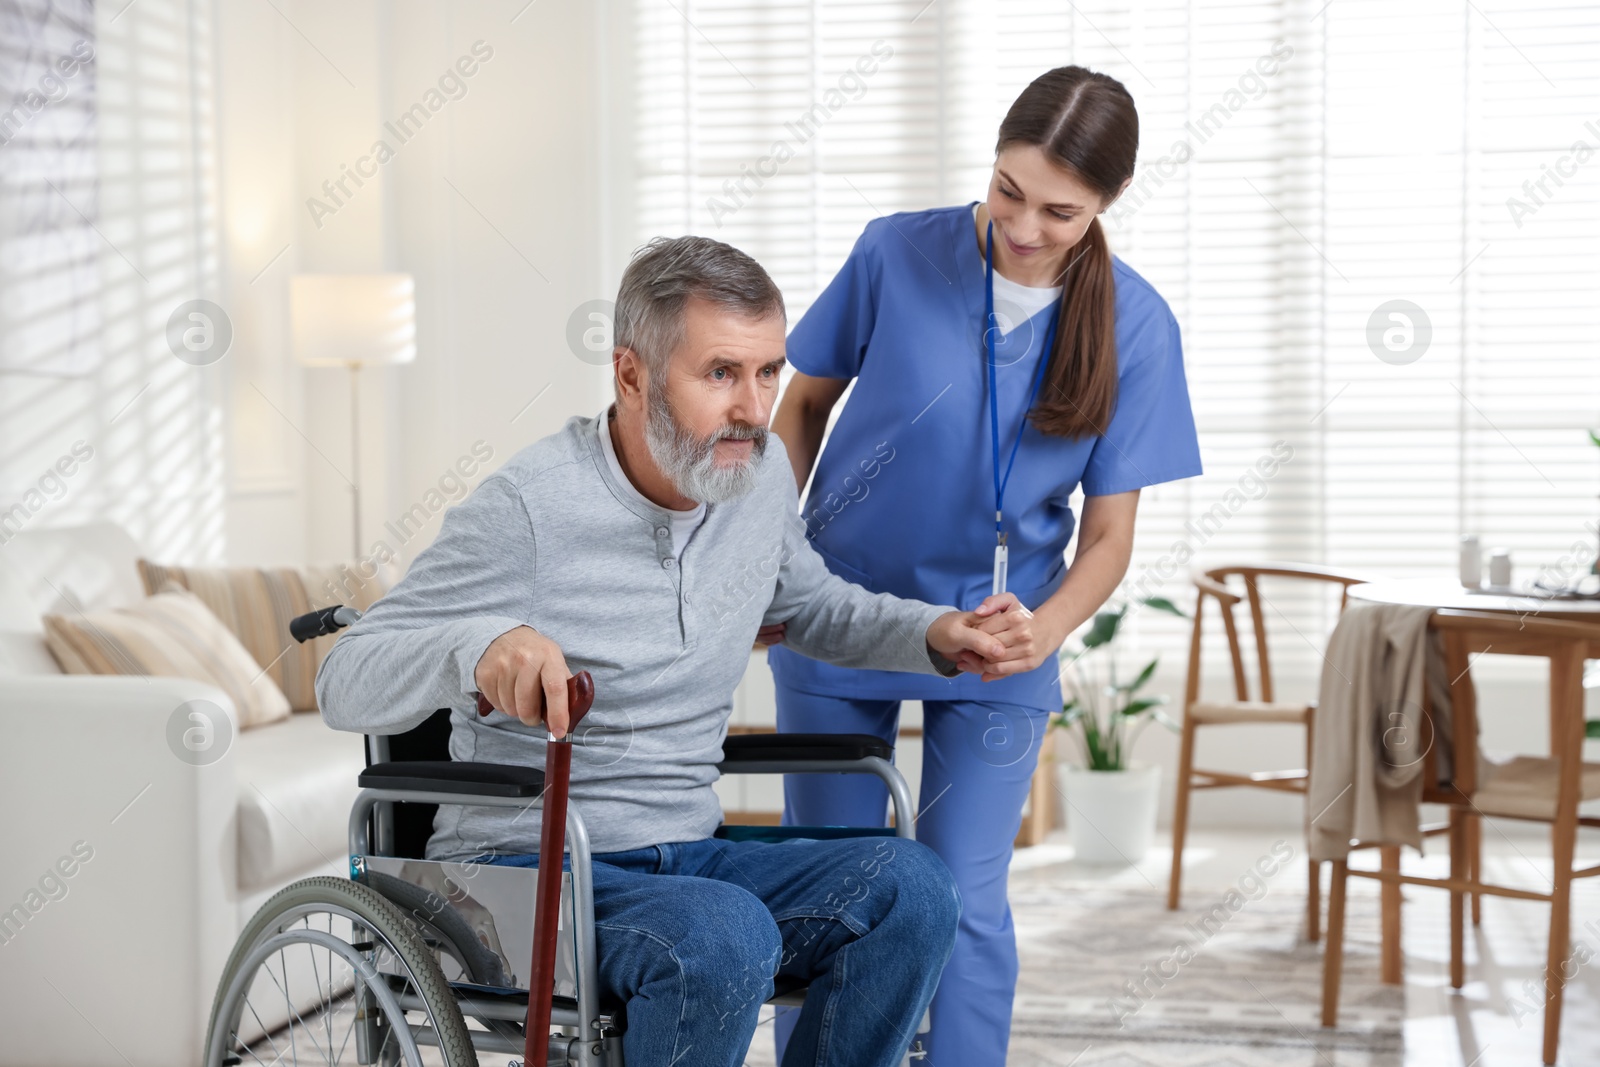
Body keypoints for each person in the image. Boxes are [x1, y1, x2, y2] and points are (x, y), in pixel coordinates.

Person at [315, 234, 1042, 1067]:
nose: (755, 407)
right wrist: (478, 647)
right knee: (720, 932)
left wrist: (933, 632)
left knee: (913, 891)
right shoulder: (530, 507)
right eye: (722, 373)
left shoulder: (756, 478)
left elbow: (807, 605)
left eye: (769, 372)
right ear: (631, 375)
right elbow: (346, 677)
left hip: (688, 856)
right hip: (518, 868)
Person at [765, 65, 1204, 1064]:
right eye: (1008, 189)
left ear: (1106, 205)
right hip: (839, 612)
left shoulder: (1137, 324)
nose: (1023, 226)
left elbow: (1107, 536)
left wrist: (1046, 627)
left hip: (1005, 638)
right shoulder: (895, 251)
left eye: (1060, 209)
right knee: (824, 887)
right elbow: (799, 403)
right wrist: (770, 556)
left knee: (962, 896)